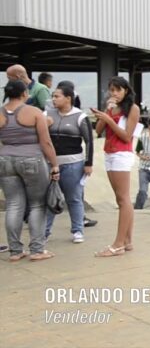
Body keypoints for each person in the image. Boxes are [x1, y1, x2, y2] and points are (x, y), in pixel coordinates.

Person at [0, 80, 59, 262]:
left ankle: (15, 251)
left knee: (13, 204)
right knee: (37, 204)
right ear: (24, 93)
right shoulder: (33, 112)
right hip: (32, 160)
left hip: (5, 160)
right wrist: (54, 164)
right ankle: (37, 250)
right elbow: (46, 142)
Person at [91, 76, 140, 257]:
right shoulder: (111, 108)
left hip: (122, 154)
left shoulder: (133, 109)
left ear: (125, 91)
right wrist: (106, 112)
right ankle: (127, 241)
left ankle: (118, 244)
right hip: (109, 152)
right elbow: (98, 130)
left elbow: (127, 136)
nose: (114, 94)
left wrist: (110, 120)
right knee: (121, 198)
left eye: (118, 90)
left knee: (123, 199)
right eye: (111, 90)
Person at [44, 84, 94, 244]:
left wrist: (89, 163)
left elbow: (89, 141)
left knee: (74, 198)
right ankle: (44, 232)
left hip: (73, 165)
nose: (53, 99)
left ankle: (78, 230)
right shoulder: (47, 114)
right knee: (50, 198)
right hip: (51, 164)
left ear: (68, 98)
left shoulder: (80, 116)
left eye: (57, 96)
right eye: (53, 96)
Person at [57, 80, 95, 228]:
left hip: (69, 157)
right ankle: (79, 223)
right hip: (71, 158)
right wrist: (88, 162)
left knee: (69, 195)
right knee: (76, 195)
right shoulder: (74, 108)